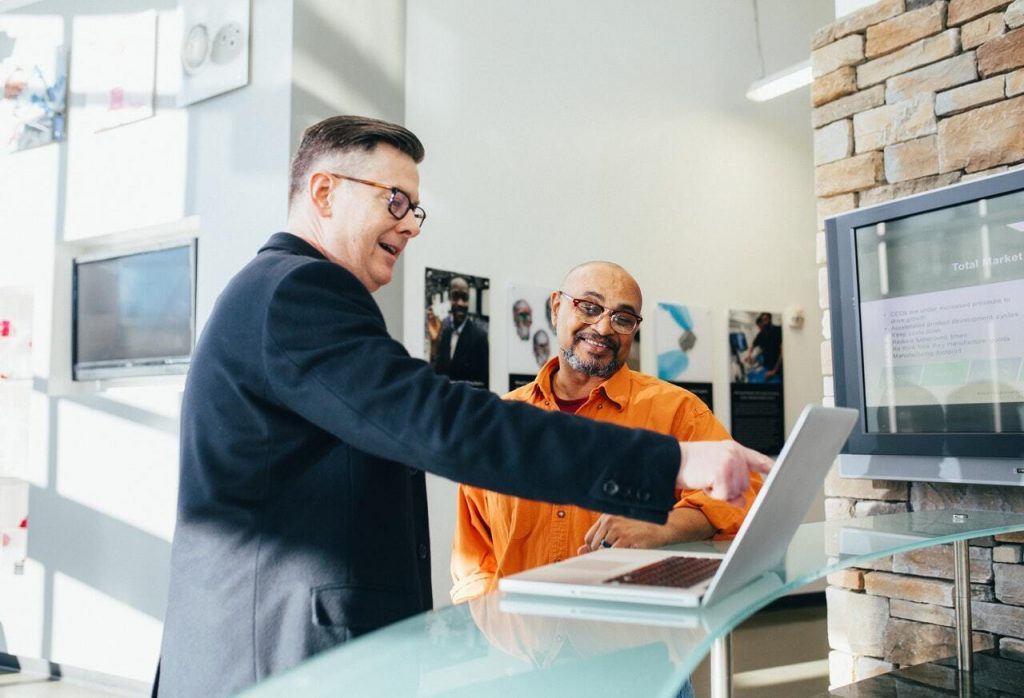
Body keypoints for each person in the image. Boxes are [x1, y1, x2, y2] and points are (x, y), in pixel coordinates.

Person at [154, 115, 771, 697]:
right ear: (323, 193)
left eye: (415, 209)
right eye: (394, 200)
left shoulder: (281, 293)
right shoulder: (297, 290)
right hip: (278, 656)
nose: (410, 225)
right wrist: (670, 464)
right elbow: (442, 423)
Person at [450, 262, 762, 604]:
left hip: (632, 640)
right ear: (556, 308)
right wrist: (492, 632)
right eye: (589, 307)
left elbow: (745, 494)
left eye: (623, 318)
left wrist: (663, 526)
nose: (603, 327)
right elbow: (473, 557)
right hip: (522, 645)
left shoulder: (677, 411)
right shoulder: (501, 422)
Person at [428, 275, 489, 388]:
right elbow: (437, 375)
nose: (460, 303)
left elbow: (483, 384)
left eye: (464, 298)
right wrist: (434, 343)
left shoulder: (479, 337)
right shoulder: (445, 333)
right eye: (455, 297)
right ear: (449, 299)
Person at [746, 311, 783, 382]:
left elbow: (782, 352)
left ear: (770, 319)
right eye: (763, 320)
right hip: (767, 368)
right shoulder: (761, 334)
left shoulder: (778, 330)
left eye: (766, 319)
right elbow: (753, 345)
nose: (764, 321)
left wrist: (774, 371)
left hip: (778, 369)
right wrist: (749, 355)